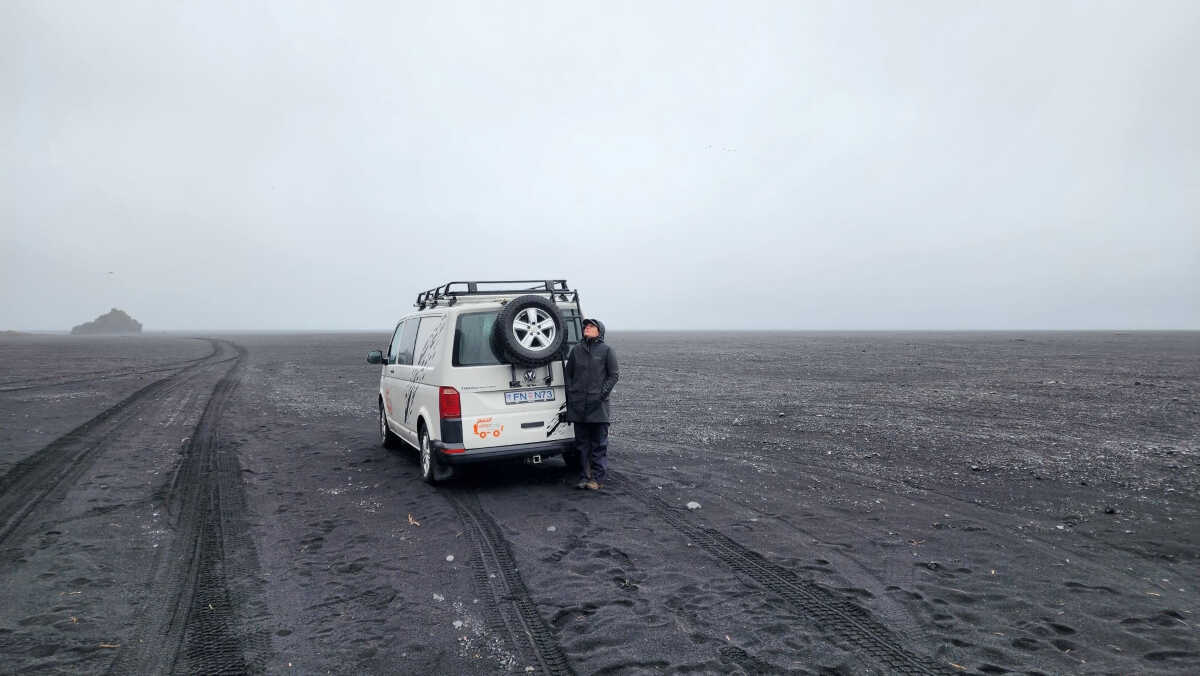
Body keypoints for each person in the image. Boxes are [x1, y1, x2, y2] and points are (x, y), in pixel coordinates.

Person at [564, 318, 619, 490]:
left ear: (599, 331)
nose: (587, 328)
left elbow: (614, 375)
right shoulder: (576, 351)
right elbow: (568, 374)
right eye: (586, 326)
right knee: (582, 445)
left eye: (591, 326)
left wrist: (601, 395)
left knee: (599, 444)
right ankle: (584, 477)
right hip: (578, 405)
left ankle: (597, 479)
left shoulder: (606, 350)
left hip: (598, 407)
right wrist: (572, 393)